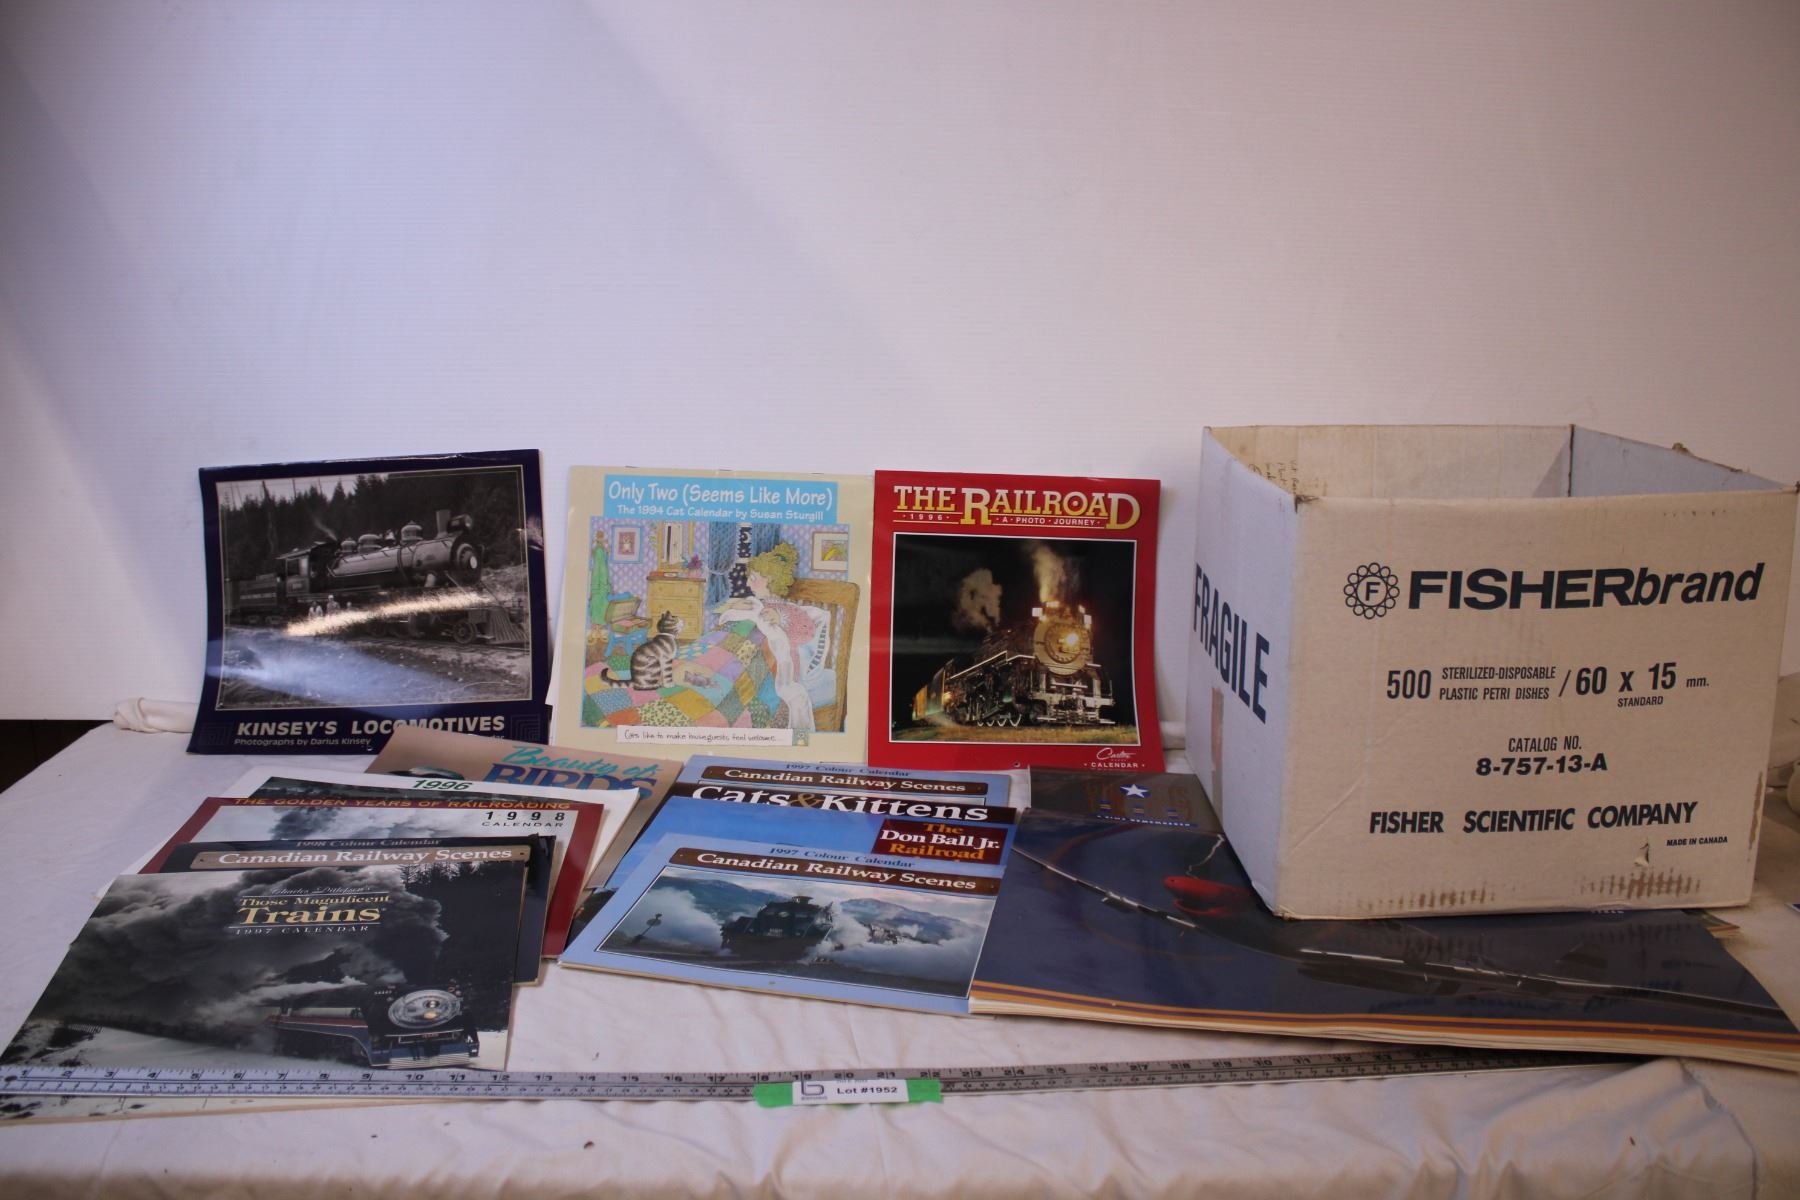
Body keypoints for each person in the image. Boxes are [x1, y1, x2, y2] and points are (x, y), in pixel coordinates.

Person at [717, 543, 818, 733]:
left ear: (771, 580)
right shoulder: (755, 605)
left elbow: (807, 632)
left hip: (775, 666)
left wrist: (780, 618)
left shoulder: (789, 610)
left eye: (753, 578)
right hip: (749, 660)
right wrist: (736, 609)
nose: (748, 584)